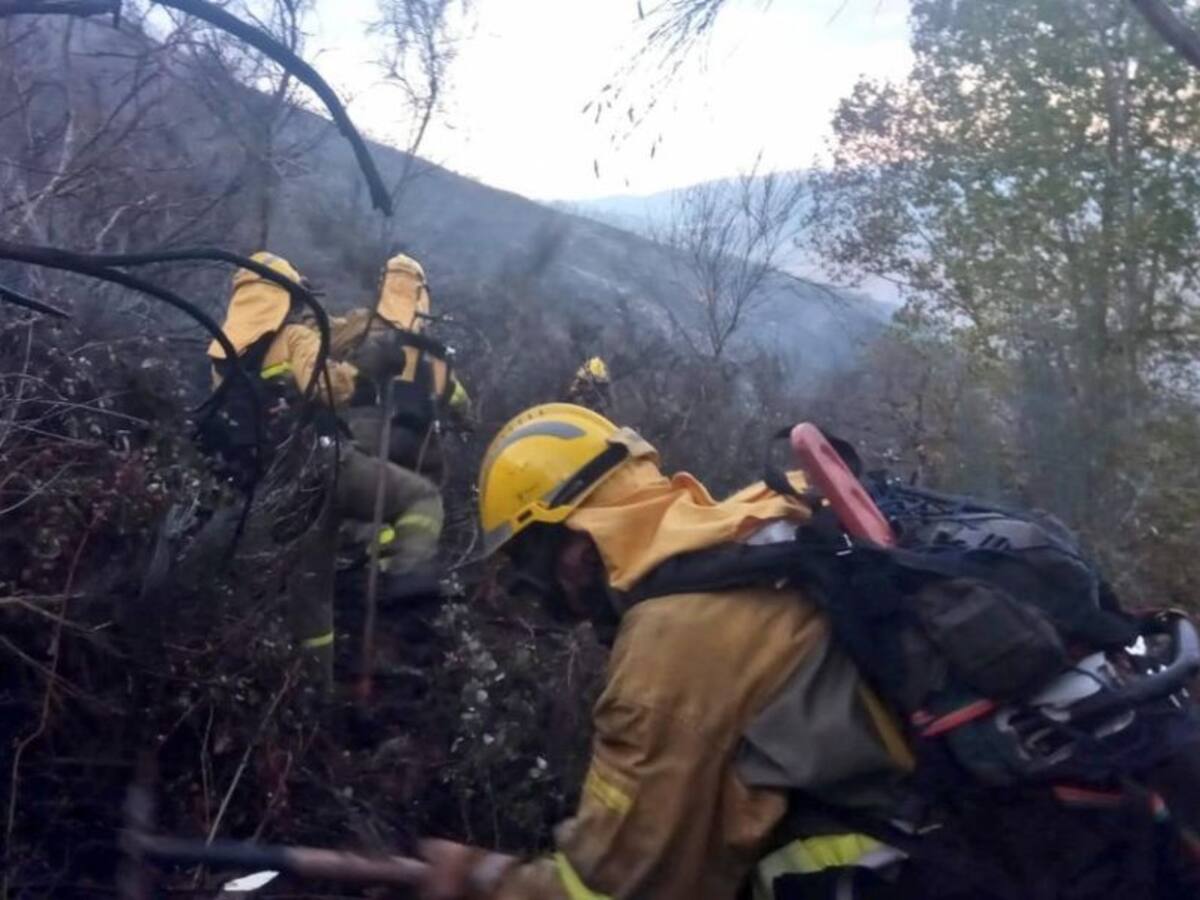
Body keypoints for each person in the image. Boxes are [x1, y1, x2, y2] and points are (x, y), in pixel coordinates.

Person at [414, 402, 913, 900]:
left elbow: (619, 888)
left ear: (576, 548)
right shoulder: (766, 513)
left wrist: (485, 879)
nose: (554, 606)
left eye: (533, 574)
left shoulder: (666, 653)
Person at [203, 251, 445, 687]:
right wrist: (363, 366)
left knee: (309, 596)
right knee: (419, 500)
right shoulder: (296, 337)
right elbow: (331, 389)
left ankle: (305, 693)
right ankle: (400, 603)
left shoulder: (222, 353)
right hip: (321, 466)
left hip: (267, 486)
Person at [332, 253, 472, 485]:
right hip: (417, 446)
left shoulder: (362, 322)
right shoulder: (430, 347)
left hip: (363, 434)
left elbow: (330, 343)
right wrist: (466, 419)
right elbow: (455, 394)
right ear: (422, 295)